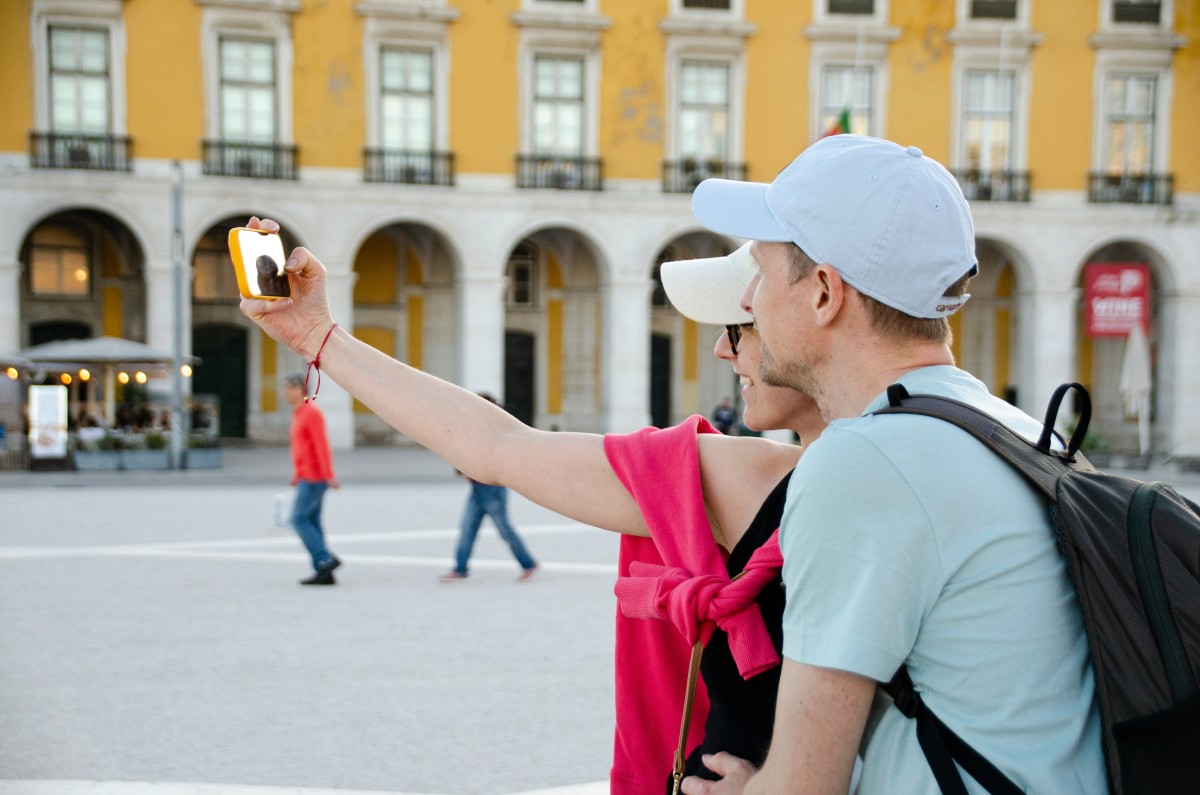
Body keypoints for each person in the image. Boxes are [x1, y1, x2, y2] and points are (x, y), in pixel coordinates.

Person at [239, 223, 824, 792]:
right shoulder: (758, 480)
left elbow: (498, 448)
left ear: (827, 303)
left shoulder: (758, 483)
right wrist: (318, 337)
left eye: (742, 324)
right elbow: (496, 446)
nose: (723, 347)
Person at [678, 134, 1105, 794]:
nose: (746, 301)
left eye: (761, 271)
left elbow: (801, 786)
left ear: (825, 291)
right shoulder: (1015, 430)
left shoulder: (862, 463)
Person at [439, 393, 539, 582]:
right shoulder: (476, 427)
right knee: (467, 528)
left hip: (492, 488)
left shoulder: (494, 429)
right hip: (477, 487)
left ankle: (528, 563)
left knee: (504, 529)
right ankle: (460, 569)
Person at [282, 371, 342, 586]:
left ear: (300, 389)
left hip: (315, 477)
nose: (285, 393)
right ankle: (324, 571)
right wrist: (296, 474)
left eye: (288, 388)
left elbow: (321, 446)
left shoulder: (311, 413)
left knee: (298, 518)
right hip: (306, 475)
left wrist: (329, 475)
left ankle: (324, 559)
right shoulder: (298, 413)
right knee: (313, 521)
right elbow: (302, 448)